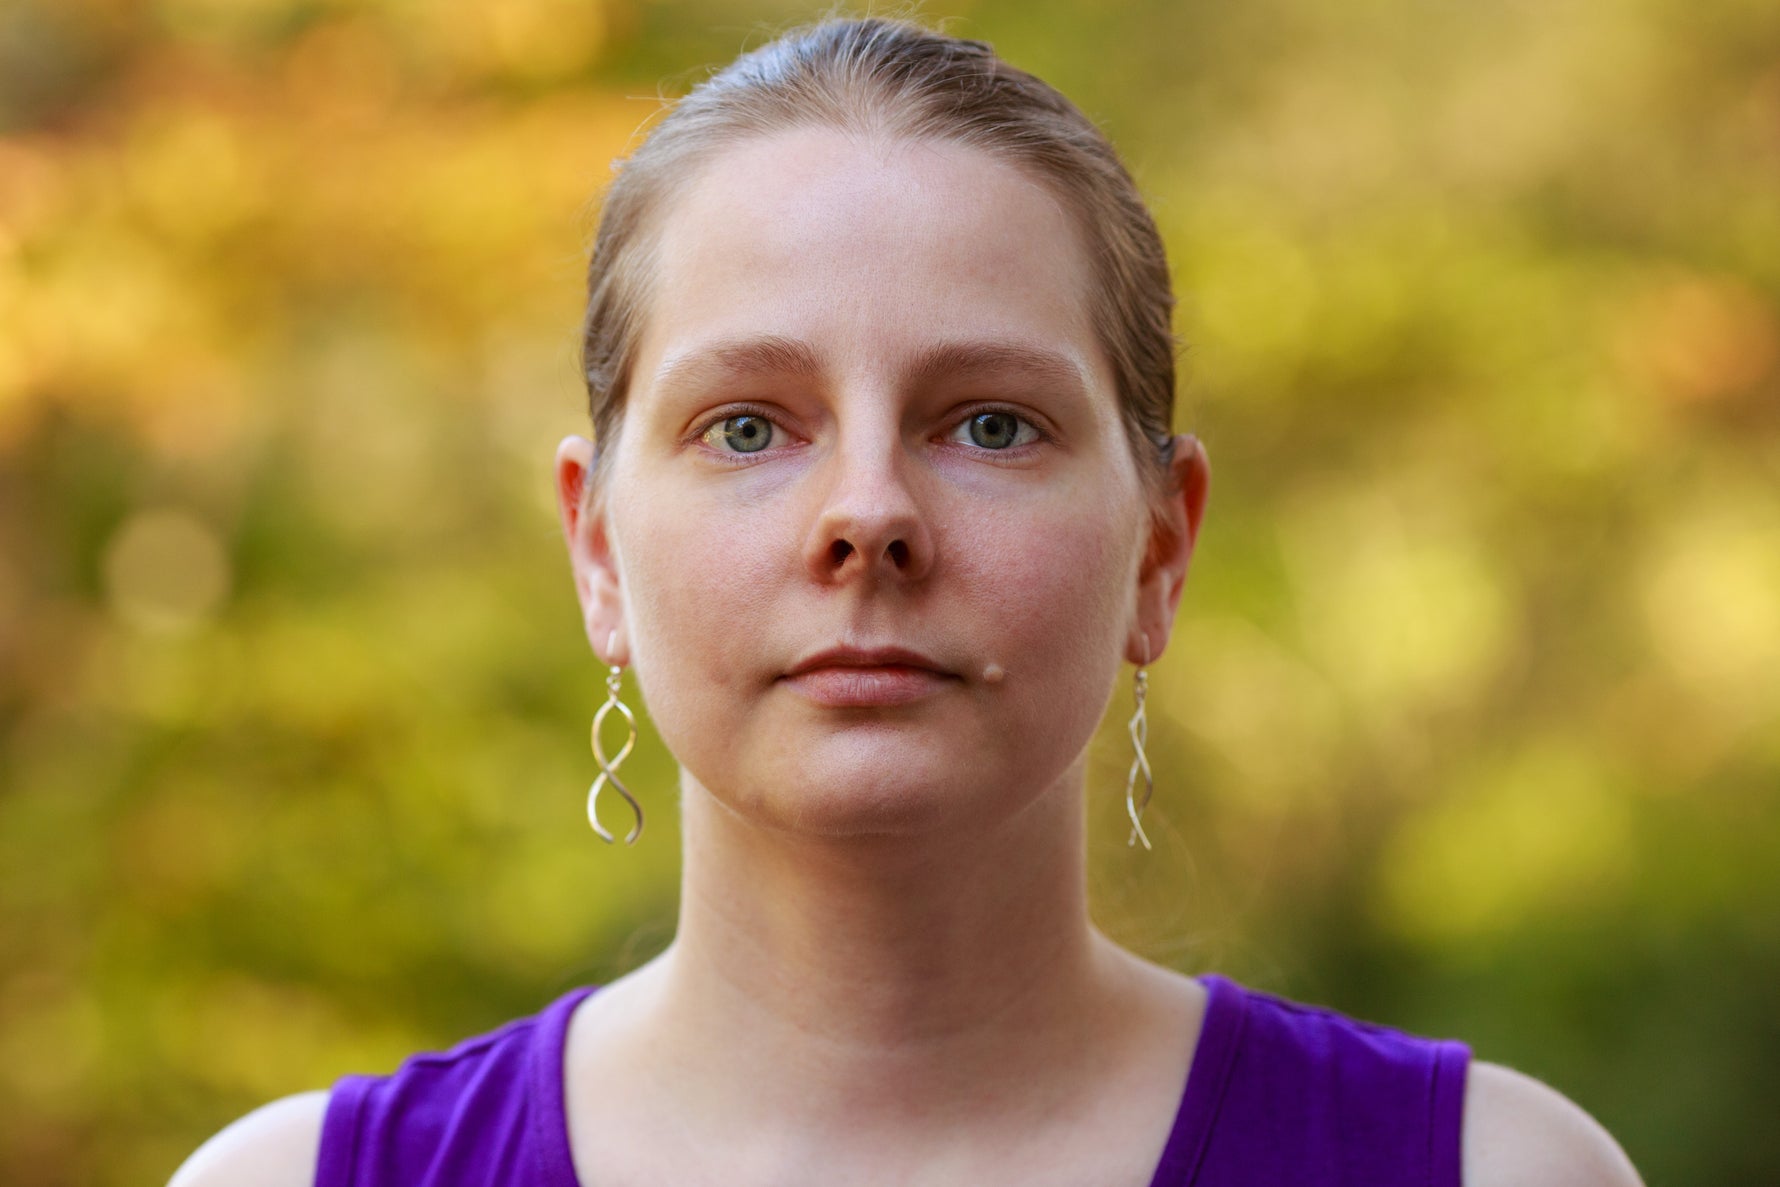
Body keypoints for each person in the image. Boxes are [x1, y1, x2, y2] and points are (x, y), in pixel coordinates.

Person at [171, 17, 1642, 1187]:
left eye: (989, 423)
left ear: (1158, 552)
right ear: (598, 551)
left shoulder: (1485, 1173)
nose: (867, 514)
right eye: (748, 426)